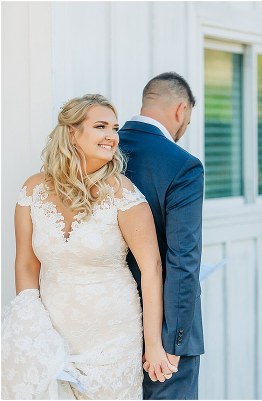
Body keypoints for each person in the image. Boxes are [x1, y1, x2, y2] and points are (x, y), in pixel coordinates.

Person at [7, 94, 174, 399]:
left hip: (114, 338)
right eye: (101, 126)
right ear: (72, 132)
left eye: (115, 128)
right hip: (52, 333)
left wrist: (153, 344)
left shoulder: (123, 194)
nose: (112, 136)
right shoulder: (33, 190)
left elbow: (151, 269)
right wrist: (30, 326)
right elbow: (27, 264)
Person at [119, 72, 205, 400]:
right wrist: (175, 340)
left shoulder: (98, 151)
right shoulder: (182, 165)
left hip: (104, 324)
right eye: (188, 121)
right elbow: (183, 258)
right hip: (163, 333)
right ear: (181, 110)